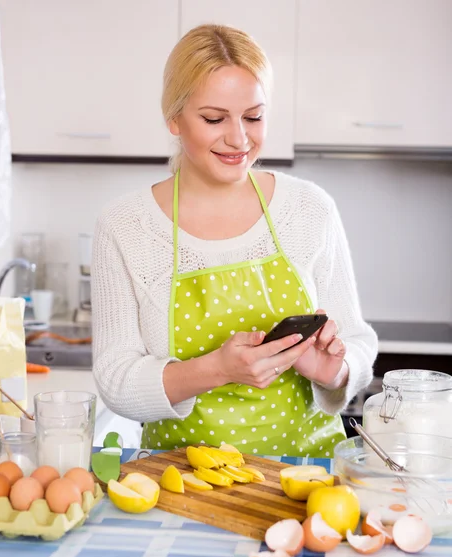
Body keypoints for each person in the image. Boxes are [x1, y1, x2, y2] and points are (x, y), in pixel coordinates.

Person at [92, 24, 377, 457]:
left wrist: (334, 371)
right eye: (213, 118)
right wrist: (215, 369)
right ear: (174, 117)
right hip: (181, 480)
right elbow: (116, 379)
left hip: (306, 476)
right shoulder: (125, 226)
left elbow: (357, 339)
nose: (239, 139)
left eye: (254, 116)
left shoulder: (308, 209)